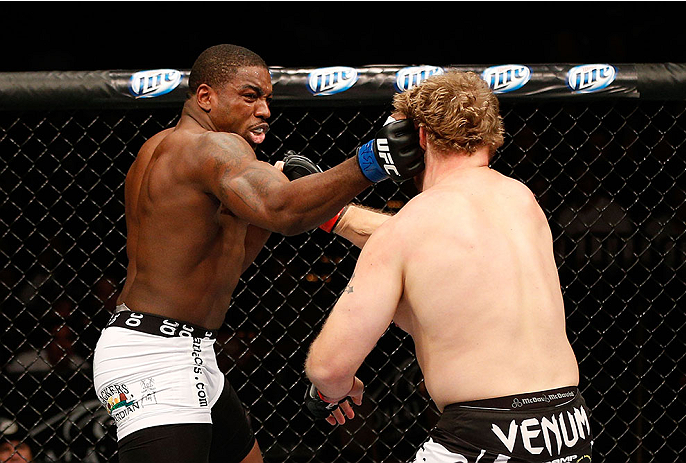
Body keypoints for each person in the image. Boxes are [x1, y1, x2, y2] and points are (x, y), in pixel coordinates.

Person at [91, 44, 423, 463]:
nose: (265, 110)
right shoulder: (211, 150)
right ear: (206, 97)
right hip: (157, 357)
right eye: (250, 96)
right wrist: (371, 161)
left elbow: (219, 265)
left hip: (177, 347)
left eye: (267, 98)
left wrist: (270, 202)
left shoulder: (160, 148)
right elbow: (282, 211)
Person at [304, 71, 593, 462]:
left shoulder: (410, 227)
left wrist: (335, 390)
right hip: (570, 427)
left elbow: (328, 366)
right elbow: (443, 245)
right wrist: (338, 216)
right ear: (491, 134)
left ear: (419, 137)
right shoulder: (523, 201)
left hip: (484, 437)